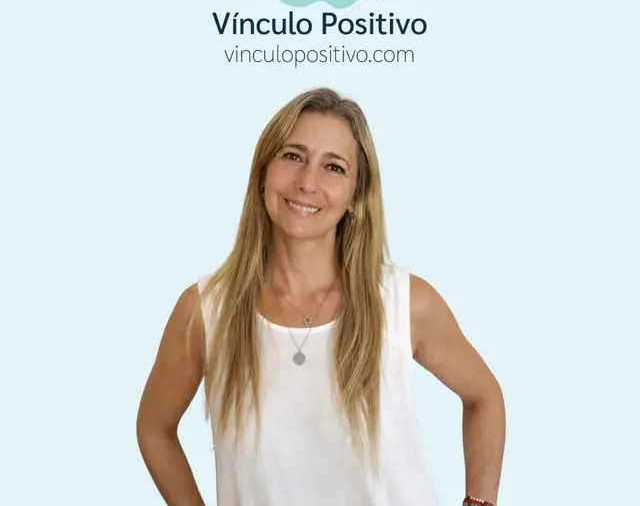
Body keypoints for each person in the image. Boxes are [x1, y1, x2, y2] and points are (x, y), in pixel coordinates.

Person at [136, 87, 506, 506]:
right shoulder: (206, 311)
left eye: (333, 167)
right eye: (293, 156)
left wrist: (480, 503)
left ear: (355, 196)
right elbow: (154, 428)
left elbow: (485, 397)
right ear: (263, 172)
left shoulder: (404, 303)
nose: (307, 182)